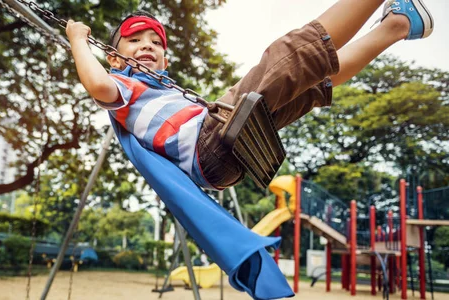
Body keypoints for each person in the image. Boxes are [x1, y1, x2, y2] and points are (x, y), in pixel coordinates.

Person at [65, 0, 434, 190]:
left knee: (309, 84)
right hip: (209, 143)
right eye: (134, 40)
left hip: (227, 151)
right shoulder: (125, 85)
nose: (147, 45)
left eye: (155, 43)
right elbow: (98, 85)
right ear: (113, 57)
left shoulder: (161, 89)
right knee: (287, 55)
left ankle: (396, 26)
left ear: (164, 59)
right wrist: (78, 40)